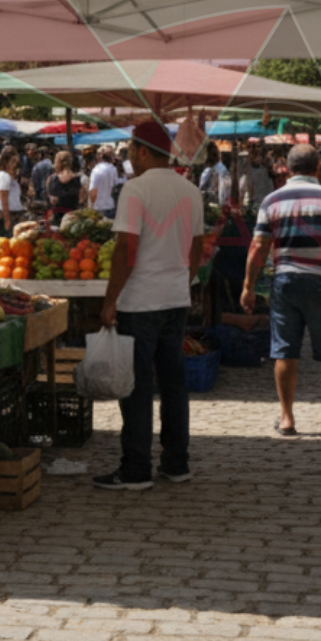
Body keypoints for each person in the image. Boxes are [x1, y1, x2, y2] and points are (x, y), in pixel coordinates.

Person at [94, 119, 205, 490]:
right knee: (173, 383)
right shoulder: (190, 190)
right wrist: (182, 280)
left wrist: (110, 301)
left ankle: (136, 469)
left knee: (137, 386)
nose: (129, 159)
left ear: (143, 151)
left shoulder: (136, 190)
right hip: (176, 299)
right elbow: (197, 248)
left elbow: (126, 249)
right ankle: (176, 463)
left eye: (130, 151)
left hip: (140, 302)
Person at [242, 143, 321, 436]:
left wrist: (248, 286)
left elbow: (258, 246)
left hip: (285, 281)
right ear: (317, 169)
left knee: (285, 352)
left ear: (286, 168)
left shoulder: (271, 200)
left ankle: (287, 418)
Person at [0, 146, 25, 233]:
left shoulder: (5, 176)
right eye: (13, 161)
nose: (14, 165)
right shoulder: (4, 176)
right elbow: (3, 197)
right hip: (9, 214)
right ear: (6, 162)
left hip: (10, 213)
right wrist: (7, 219)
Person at [46, 150, 85, 220]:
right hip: (73, 218)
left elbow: (50, 200)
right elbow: (82, 199)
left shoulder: (52, 179)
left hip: (56, 218)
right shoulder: (78, 179)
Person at [88, 145, 120, 218]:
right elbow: (115, 186)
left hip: (99, 206)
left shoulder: (96, 170)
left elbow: (93, 190)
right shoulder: (113, 169)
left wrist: (91, 206)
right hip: (110, 205)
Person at [28, 147, 54, 214]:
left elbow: (34, 182)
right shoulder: (52, 165)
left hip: (40, 194)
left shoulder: (36, 167)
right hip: (51, 193)